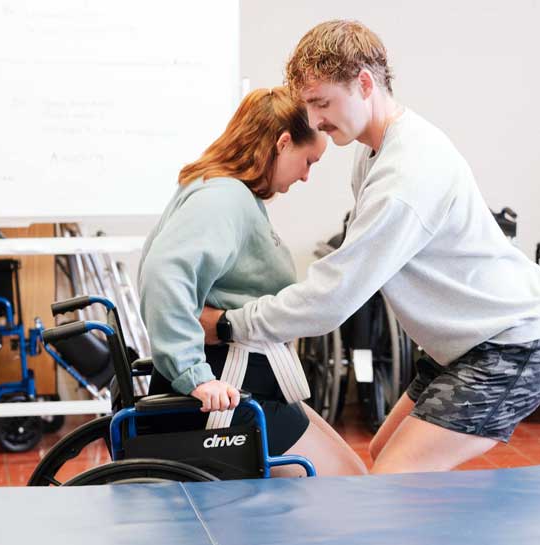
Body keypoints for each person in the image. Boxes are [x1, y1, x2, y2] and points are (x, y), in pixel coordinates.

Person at [200, 21, 540, 474]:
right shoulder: (375, 150)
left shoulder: (406, 173)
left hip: (511, 347)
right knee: (383, 456)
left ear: (364, 84)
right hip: (463, 346)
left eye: (321, 103)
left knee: (390, 484)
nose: (313, 121)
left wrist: (229, 325)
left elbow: (333, 297)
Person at [138, 86, 368, 477]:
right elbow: (164, 273)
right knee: (346, 481)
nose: (306, 176)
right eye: (308, 161)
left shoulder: (229, 193)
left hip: (245, 381)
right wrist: (194, 376)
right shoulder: (222, 198)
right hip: (224, 390)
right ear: (283, 143)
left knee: (353, 471)